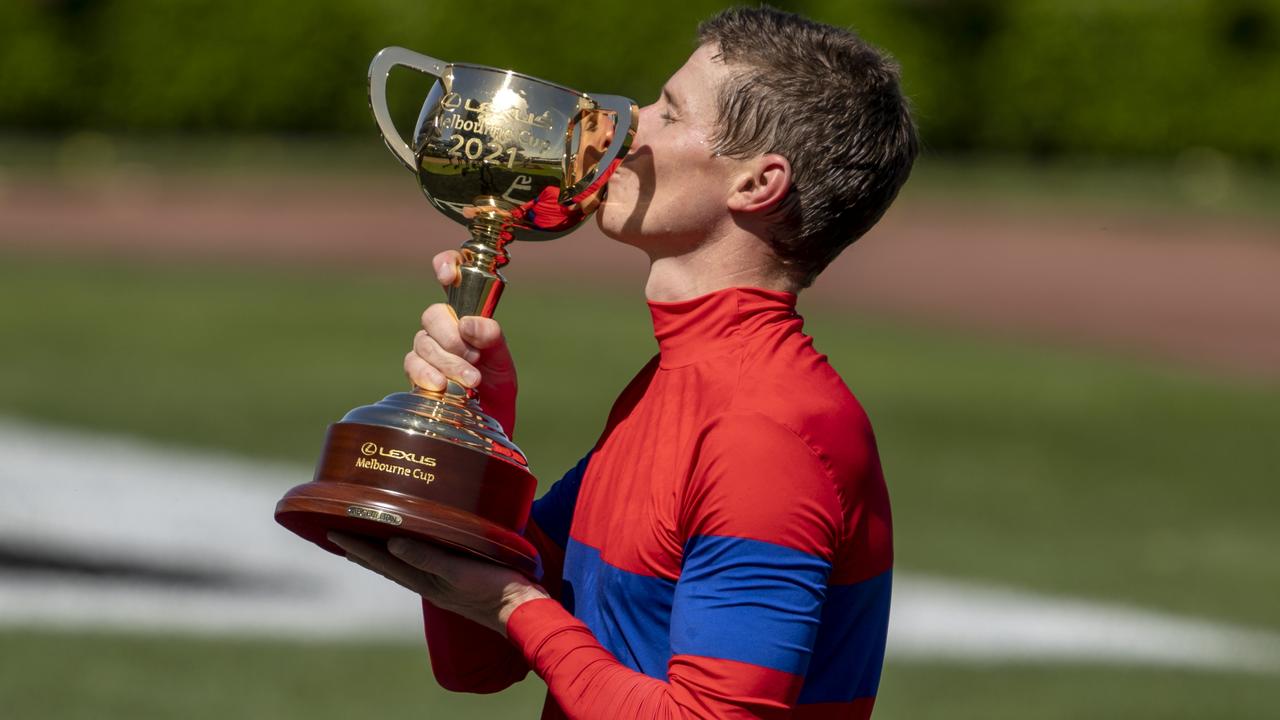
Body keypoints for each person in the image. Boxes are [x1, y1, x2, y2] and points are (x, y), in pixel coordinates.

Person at [332, 6, 918, 719]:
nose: (625, 125)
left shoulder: (768, 430)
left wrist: (516, 603)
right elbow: (476, 662)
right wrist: (475, 433)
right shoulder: (673, 386)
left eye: (668, 114)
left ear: (756, 185)